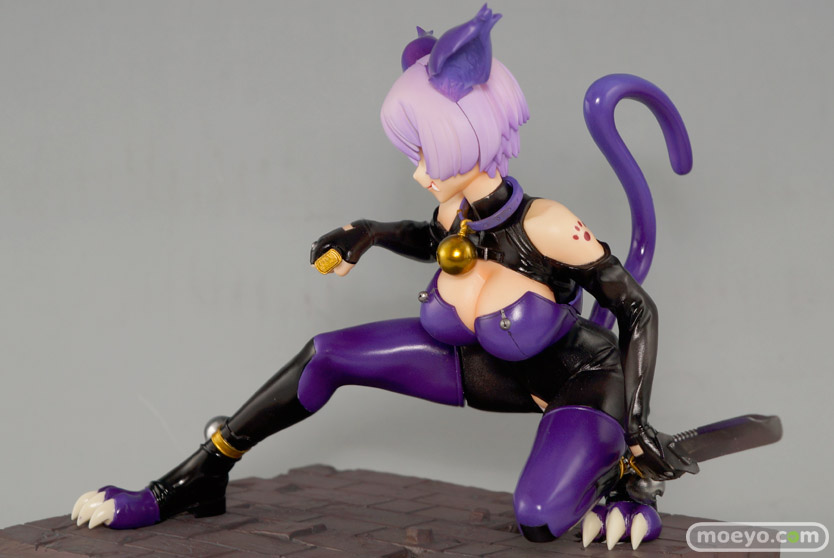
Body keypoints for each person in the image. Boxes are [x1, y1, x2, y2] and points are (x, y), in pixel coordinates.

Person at [72, 5, 694, 550]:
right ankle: (197, 476)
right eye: (412, 152)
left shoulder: (547, 225)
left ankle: (626, 482)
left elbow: (637, 309)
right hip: (480, 368)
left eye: (426, 150)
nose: (419, 172)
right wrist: (368, 233)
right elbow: (430, 239)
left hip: (577, 383)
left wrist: (638, 429)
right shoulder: (452, 213)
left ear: (471, 131)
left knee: (537, 519)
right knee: (325, 354)